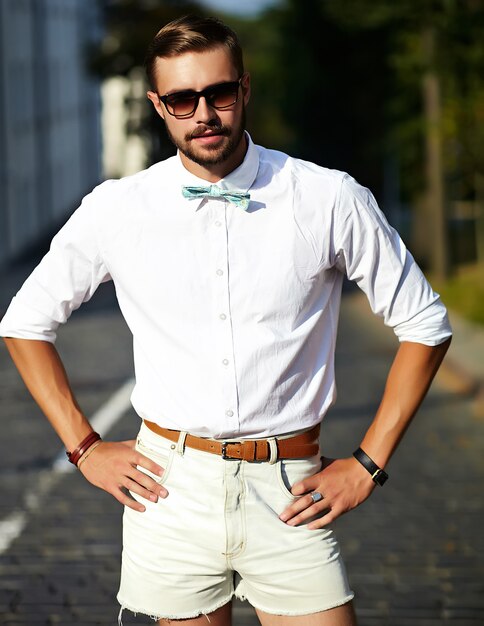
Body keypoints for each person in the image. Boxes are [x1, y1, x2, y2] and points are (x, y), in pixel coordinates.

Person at [0, 14, 452, 626]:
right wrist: (85, 448)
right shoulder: (118, 208)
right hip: (169, 491)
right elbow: (24, 322)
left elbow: (424, 322)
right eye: (183, 99)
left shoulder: (326, 197)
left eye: (219, 93)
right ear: (159, 105)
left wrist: (368, 464)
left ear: (244, 89)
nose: (204, 114)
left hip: (292, 491)